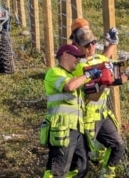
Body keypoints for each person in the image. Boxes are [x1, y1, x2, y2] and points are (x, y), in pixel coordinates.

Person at [71, 27, 127, 178]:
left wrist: (113, 44)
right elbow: (92, 94)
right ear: (77, 46)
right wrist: (104, 83)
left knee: (117, 145)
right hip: (87, 118)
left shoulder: (97, 58)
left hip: (103, 114)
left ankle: (106, 174)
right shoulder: (79, 66)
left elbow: (105, 60)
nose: (91, 47)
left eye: (93, 43)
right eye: (87, 45)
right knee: (82, 160)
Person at [43, 44, 102, 178]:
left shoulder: (75, 77)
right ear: (65, 55)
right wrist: (87, 74)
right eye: (76, 56)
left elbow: (94, 97)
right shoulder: (54, 72)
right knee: (58, 169)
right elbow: (69, 86)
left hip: (77, 129)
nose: (78, 60)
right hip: (62, 128)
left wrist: (103, 83)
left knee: (80, 167)